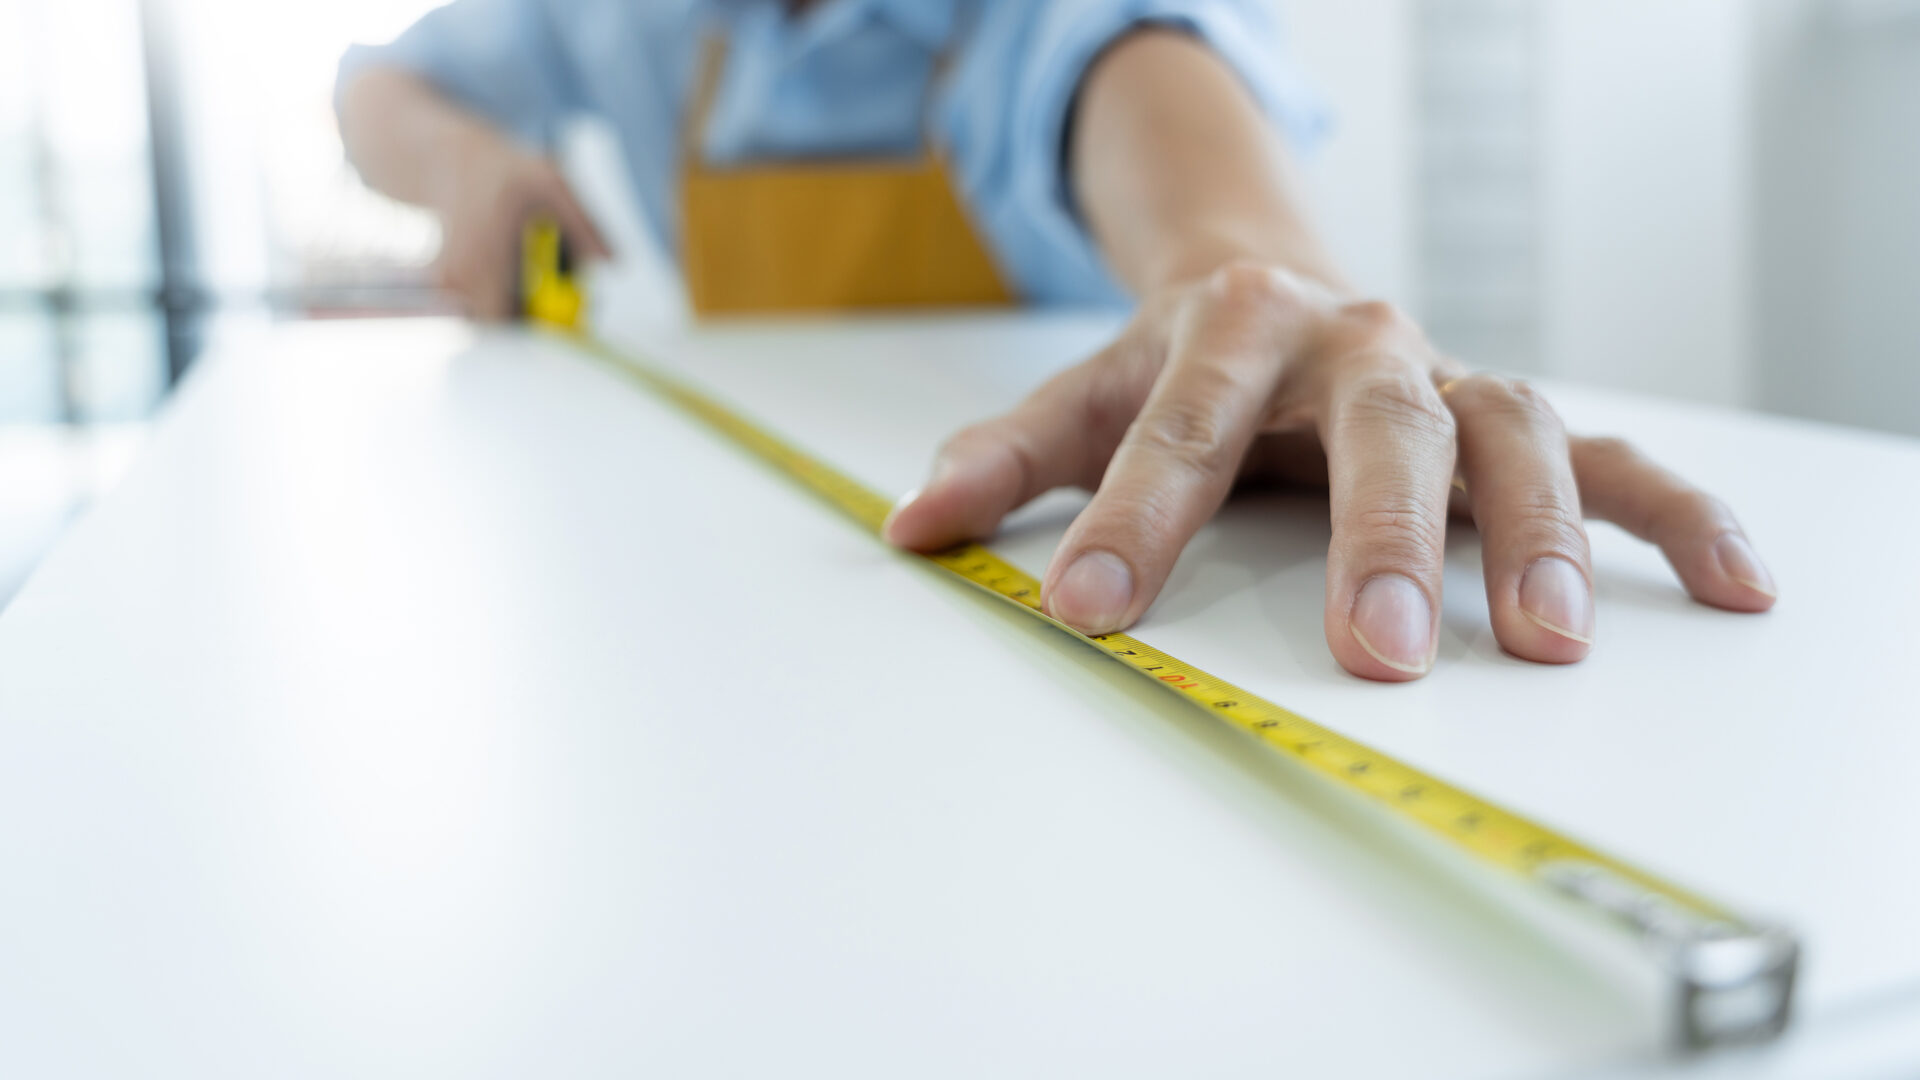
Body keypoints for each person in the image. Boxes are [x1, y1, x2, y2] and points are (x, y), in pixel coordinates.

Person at [335, 0, 1777, 683]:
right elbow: (377, 83)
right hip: (728, 592)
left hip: (1059, 531)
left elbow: (1132, 56)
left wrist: (1252, 293)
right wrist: (462, 164)